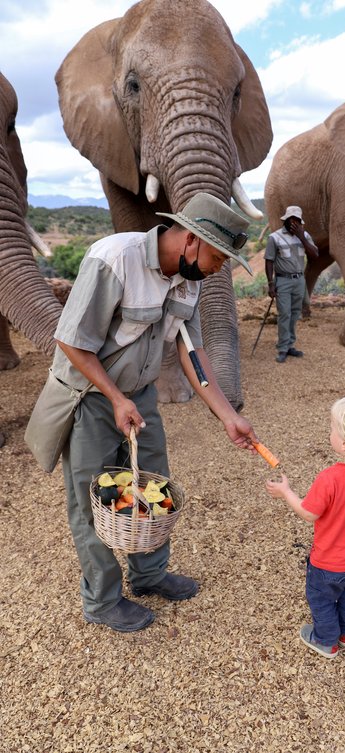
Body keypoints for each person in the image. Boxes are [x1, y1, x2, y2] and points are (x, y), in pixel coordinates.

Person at [51, 192, 259, 633]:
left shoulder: (189, 277)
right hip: (90, 396)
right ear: (189, 242)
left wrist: (226, 416)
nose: (217, 269)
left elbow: (192, 348)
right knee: (95, 498)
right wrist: (115, 398)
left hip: (138, 395)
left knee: (152, 486)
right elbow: (71, 339)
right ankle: (103, 600)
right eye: (218, 258)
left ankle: (149, 575)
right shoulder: (114, 258)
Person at [265, 395, 345, 659]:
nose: (330, 432)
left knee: (321, 599)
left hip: (329, 563)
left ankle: (326, 640)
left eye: (332, 428)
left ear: (344, 443)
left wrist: (286, 493)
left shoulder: (331, 478)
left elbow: (309, 513)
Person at [264, 205, 318, 363]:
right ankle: (282, 348)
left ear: (300, 221)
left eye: (297, 219)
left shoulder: (305, 235)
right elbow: (269, 261)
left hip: (299, 280)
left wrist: (301, 237)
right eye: (291, 219)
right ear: (286, 220)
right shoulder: (275, 237)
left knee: (295, 314)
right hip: (283, 280)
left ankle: (290, 345)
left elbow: (314, 255)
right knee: (284, 314)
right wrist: (271, 283)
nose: (293, 222)